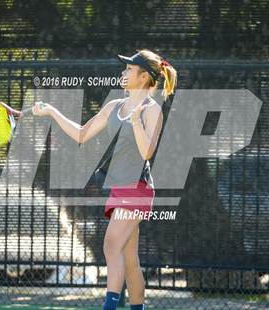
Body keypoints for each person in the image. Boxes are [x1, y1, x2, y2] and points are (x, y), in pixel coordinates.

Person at [32, 49, 177, 310]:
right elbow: (80, 134)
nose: (123, 73)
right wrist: (52, 112)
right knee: (129, 258)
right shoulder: (114, 106)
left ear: (143, 77)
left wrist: (135, 123)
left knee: (111, 245)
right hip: (119, 188)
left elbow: (147, 152)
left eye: (128, 70)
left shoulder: (152, 110)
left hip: (137, 188)